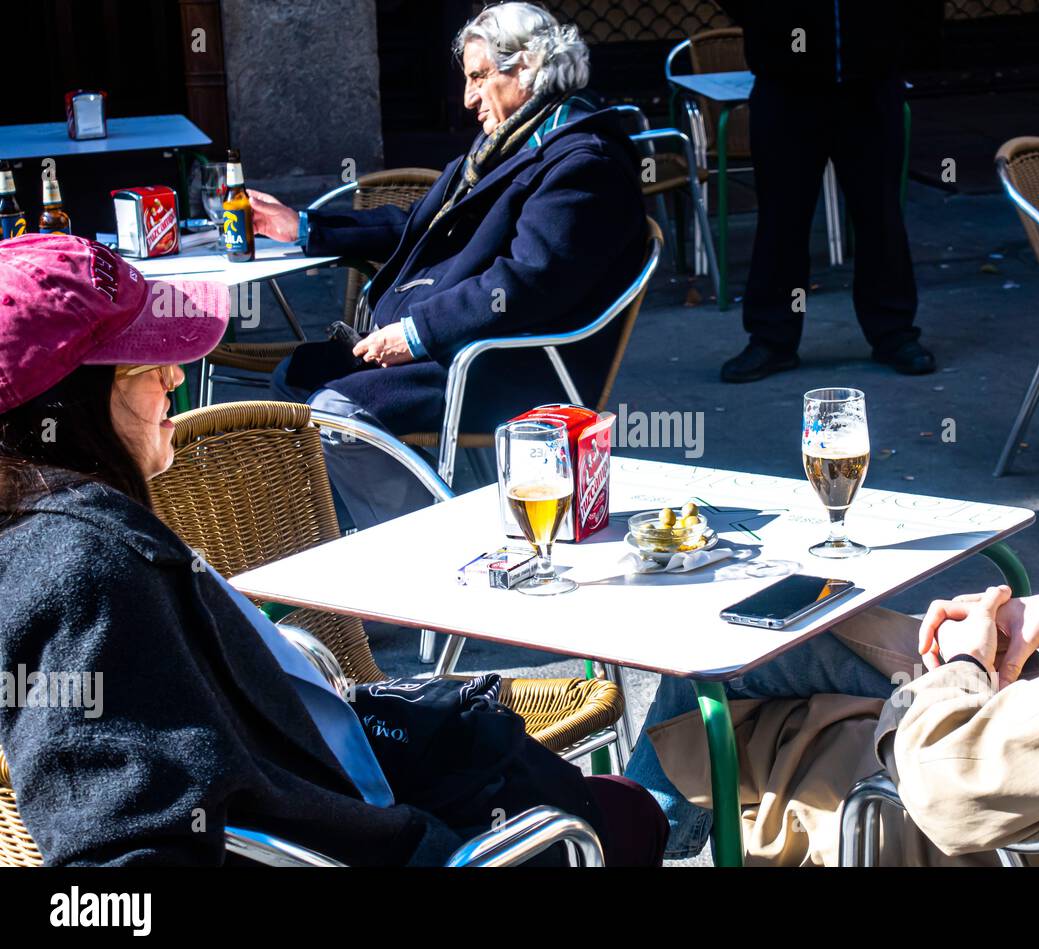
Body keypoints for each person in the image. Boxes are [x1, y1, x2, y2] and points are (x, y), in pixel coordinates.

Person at [629, 184, 1039, 866]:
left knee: (733, 690)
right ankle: (630, 823)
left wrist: (963, 666)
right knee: (756, 635)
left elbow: (955, 785)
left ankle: (624, 831)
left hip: (1009, 827)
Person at [0, 233, 668, 866]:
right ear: (72, 402)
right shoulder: (81, 567)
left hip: (345, 776)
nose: (177, 375)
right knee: (630, 816)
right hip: (379, 836)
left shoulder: (45, 529)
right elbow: (125, 844)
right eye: (149, 364)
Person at [251, 3, 645, 528]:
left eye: (480, 77)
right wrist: (305, 227)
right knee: (296, 378)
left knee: (339, 413)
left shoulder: (583, 162)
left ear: (527, 66)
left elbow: (527, 281)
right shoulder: (507, 144)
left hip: (505, 362)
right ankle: (334, 533)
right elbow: (415, 226)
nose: (467, 98)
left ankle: (413, 557)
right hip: (456, 347)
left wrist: (415, 333)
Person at [711, 2, 935, 383]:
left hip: (870, 85)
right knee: (782, 219)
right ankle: (772, 338)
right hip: (787, 86)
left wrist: (893, 43)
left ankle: (893, 332)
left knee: (879, 214)